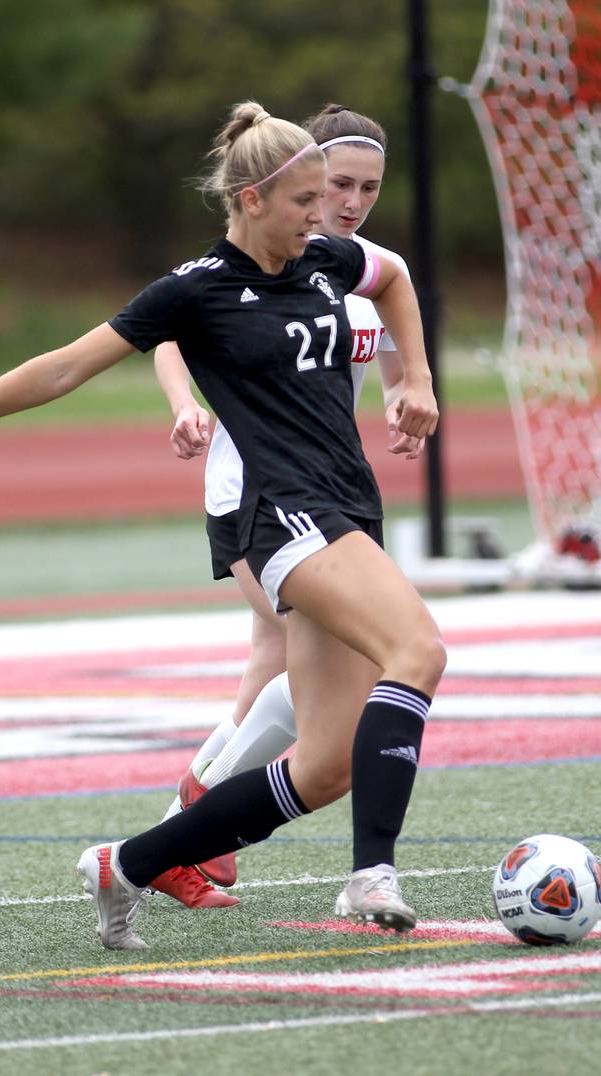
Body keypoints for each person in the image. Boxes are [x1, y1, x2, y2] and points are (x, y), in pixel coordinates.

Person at [0, 100, 445, 948]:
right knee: (420, 650)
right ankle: (371, 876)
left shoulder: (327, 262)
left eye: (331, 198)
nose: (324, 216)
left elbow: (391, 278)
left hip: (349, 507)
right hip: (284, 519)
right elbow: (62, 367)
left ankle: (127, 864)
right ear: (250, 199)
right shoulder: (195, 291)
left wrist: (416, 378)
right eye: (306, 200)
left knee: (322, 767)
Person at [148, 104, 421, 906]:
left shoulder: (351, 265)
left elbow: (398, 333)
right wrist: (183, 402)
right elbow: (168, 325)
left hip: (328, 495)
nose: (352, 199)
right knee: (313, 665)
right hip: (256, 493)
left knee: (291, 671)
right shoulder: (267, 254)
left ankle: (183, 835)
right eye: (337, 183)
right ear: (295, 180)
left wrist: (413, 391)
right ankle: (188, 835)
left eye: (369, 186)